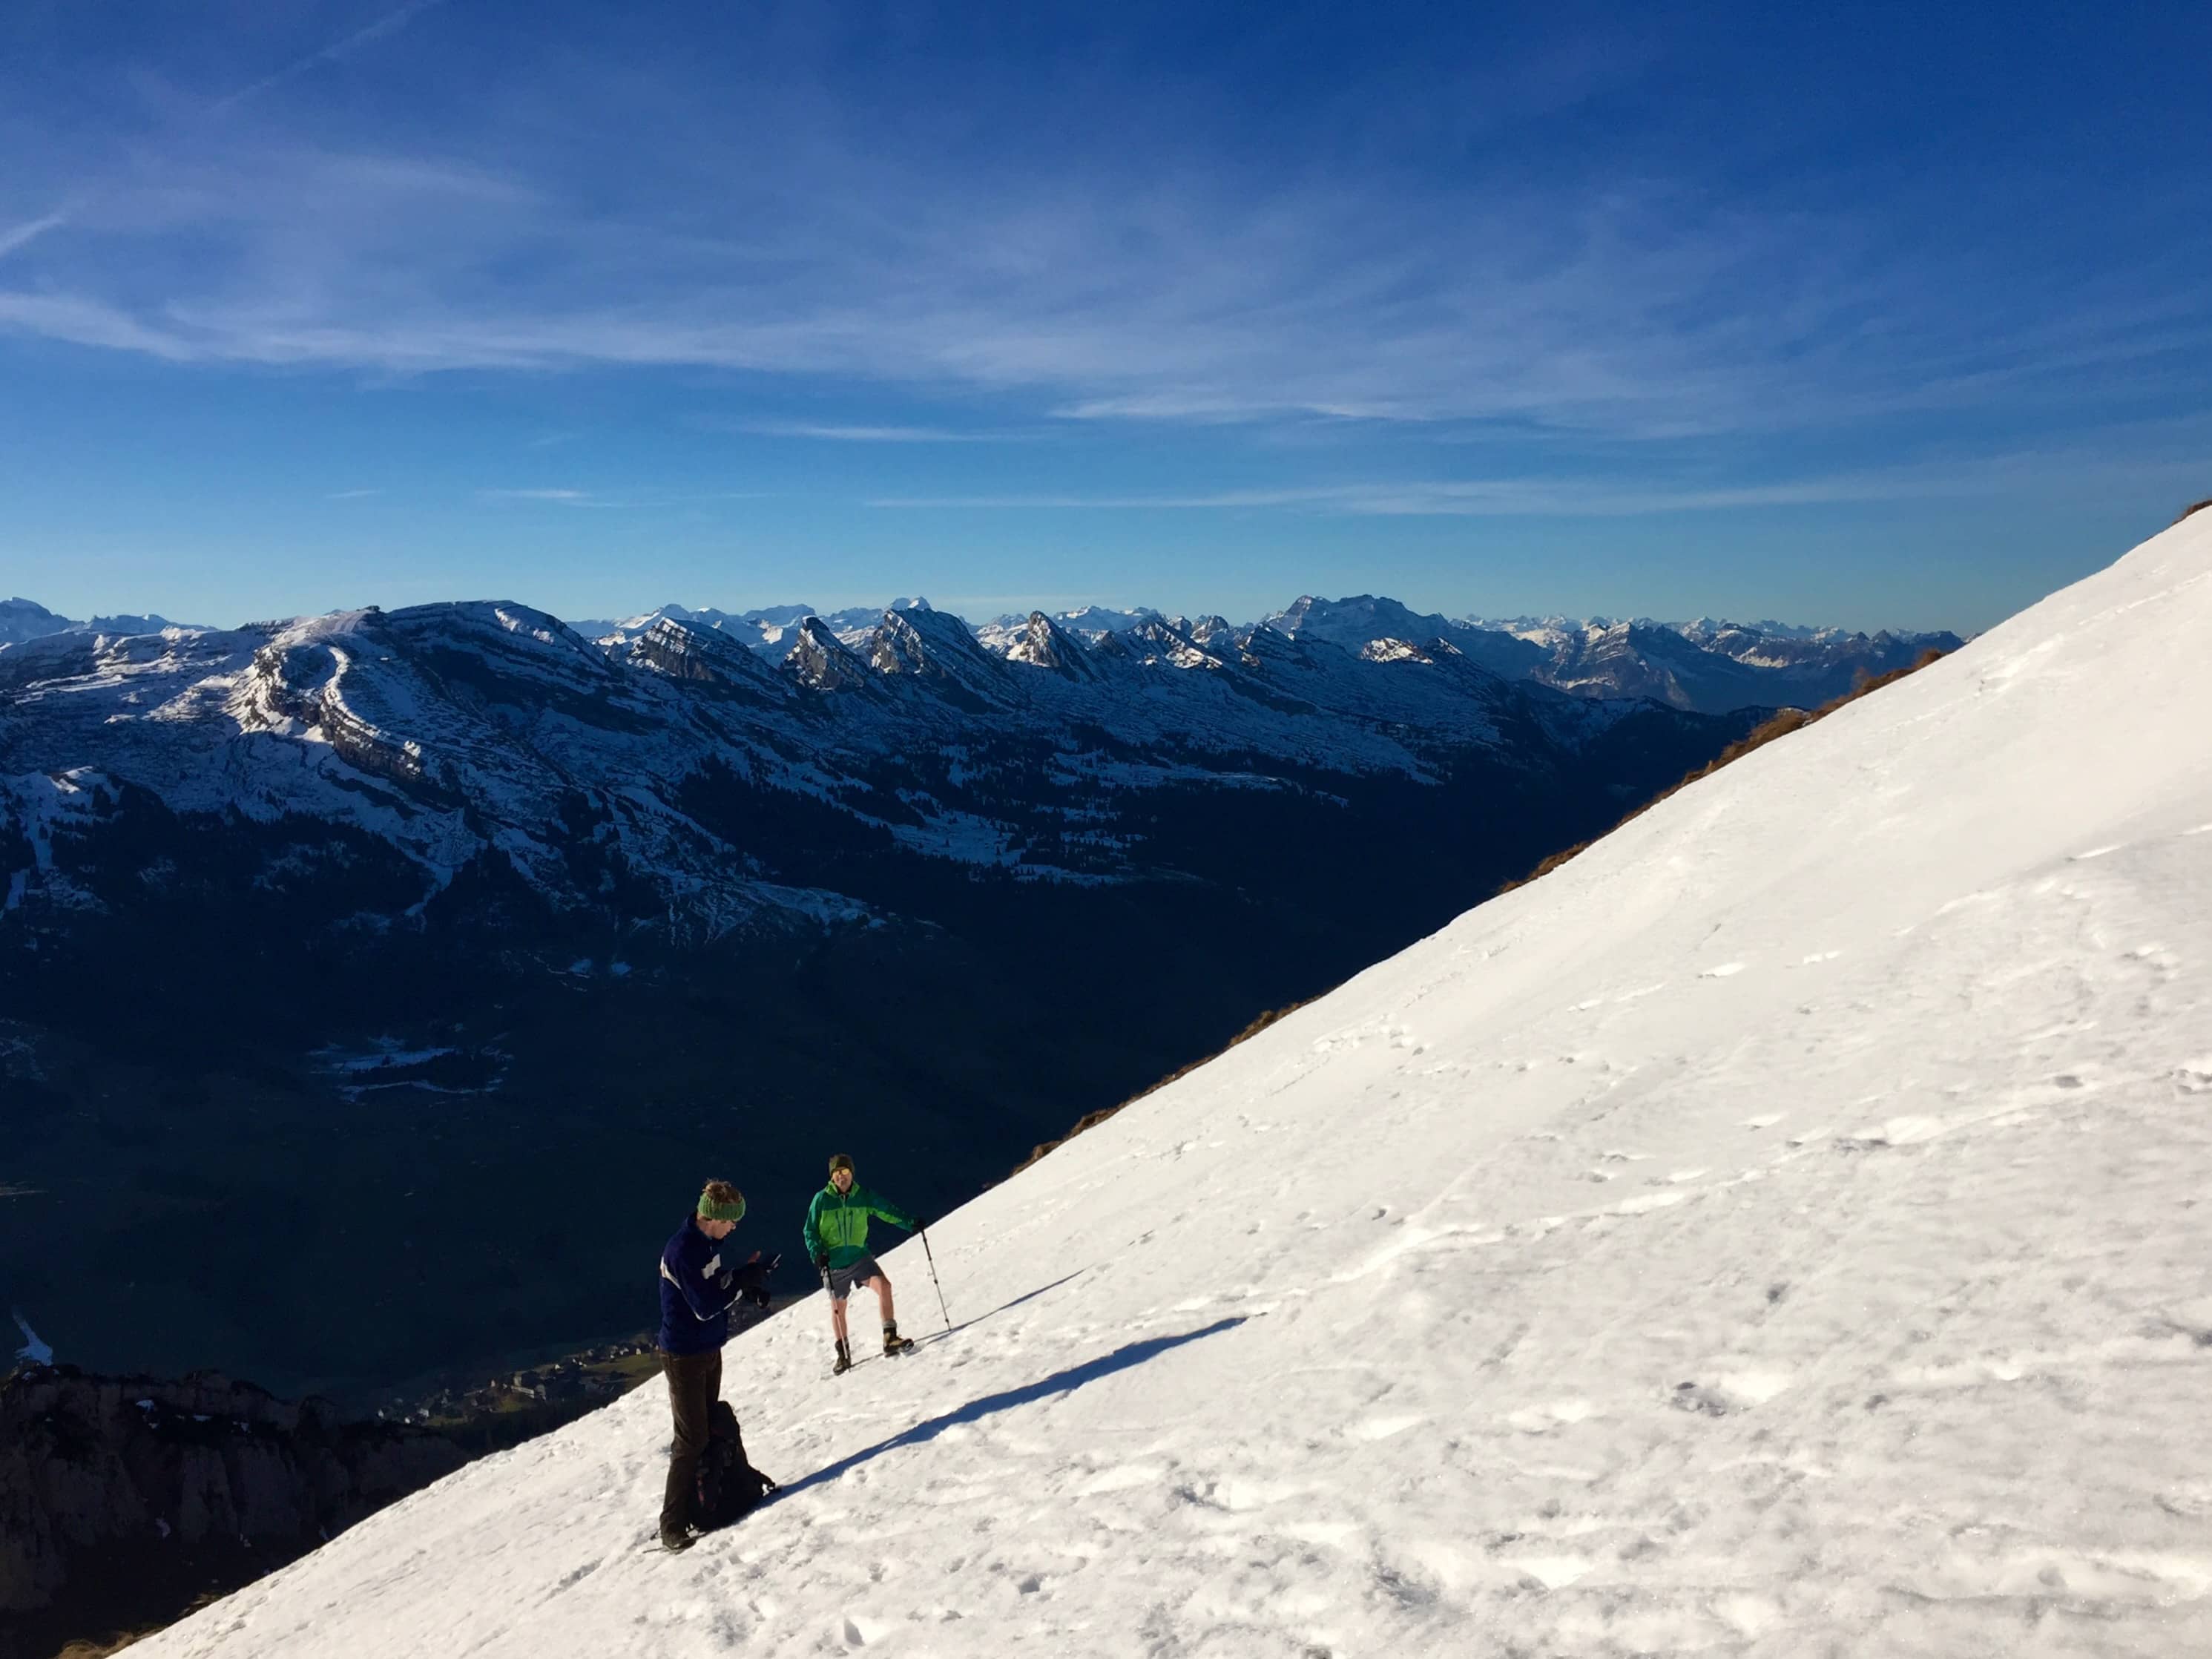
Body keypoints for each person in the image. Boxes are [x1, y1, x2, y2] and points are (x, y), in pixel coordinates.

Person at [656, 1178, 769, 1552]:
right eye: (731, 1221)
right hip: (684, 1355)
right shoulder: (683, 1251)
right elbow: (704, 1307)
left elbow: (714, 1285)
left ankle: (709, 1499)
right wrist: (740, 1284)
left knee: (706, 1427)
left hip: (707, 1348)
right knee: (691, 1439)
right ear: (714, 1217)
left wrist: (742, 1279)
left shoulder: (707, 1244)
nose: (734, 1227)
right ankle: (671, 1524)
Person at [803, 1154, 921, 1373]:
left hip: (859, 1258)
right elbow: (810, 1231)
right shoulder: (821, 1200)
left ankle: (890, 1338)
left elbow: (885, 1210)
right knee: (838, 1308)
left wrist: (909, 1223)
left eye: (845, 1172)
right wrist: (817, 1253)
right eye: (837, 1173)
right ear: (832, 1177)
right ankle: (843, 1355)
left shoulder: (863, 1196)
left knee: (884, 1286)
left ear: (851, 1174)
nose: (841, 1177)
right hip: (834, 1264)